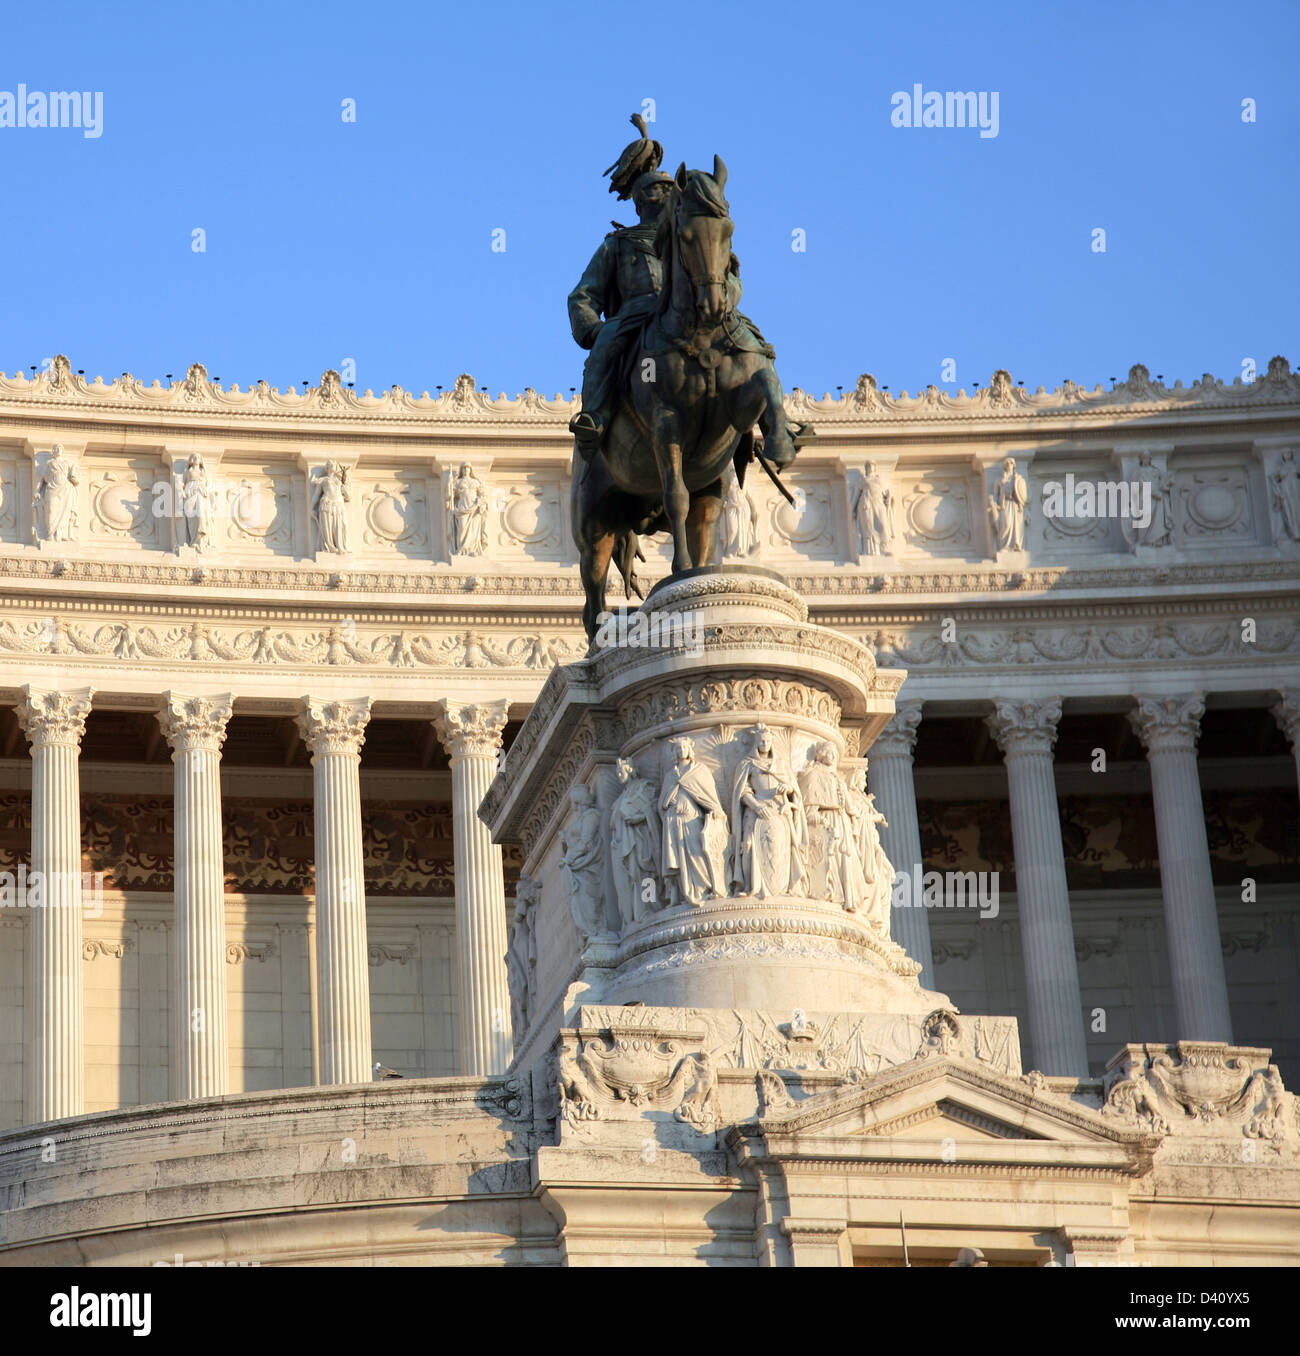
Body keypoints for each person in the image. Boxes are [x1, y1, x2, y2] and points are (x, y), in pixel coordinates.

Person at [659, 737, 729, 906]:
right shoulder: (670, 776)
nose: (681, 750)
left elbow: (709, 796)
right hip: (674, 822)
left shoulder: (699, 770)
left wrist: (715, 811)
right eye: (677, 748)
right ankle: (686, 894)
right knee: (679, 859)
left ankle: (705, 889)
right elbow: (661, 803)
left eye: (683, 747)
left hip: (692, 819)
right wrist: (669, 801)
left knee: (697, 853)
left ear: (690, 750)